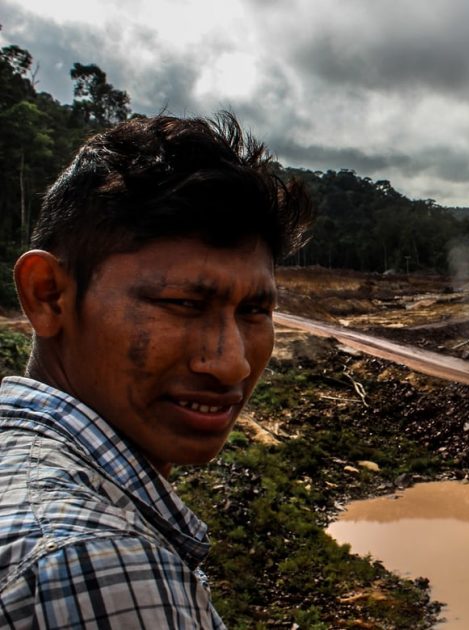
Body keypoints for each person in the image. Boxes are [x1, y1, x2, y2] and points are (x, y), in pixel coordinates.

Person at [0, 112, 312, 627]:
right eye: (184, 304)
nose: (231, 363)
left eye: (255, 311)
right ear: (48, 295)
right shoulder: (94, 561)